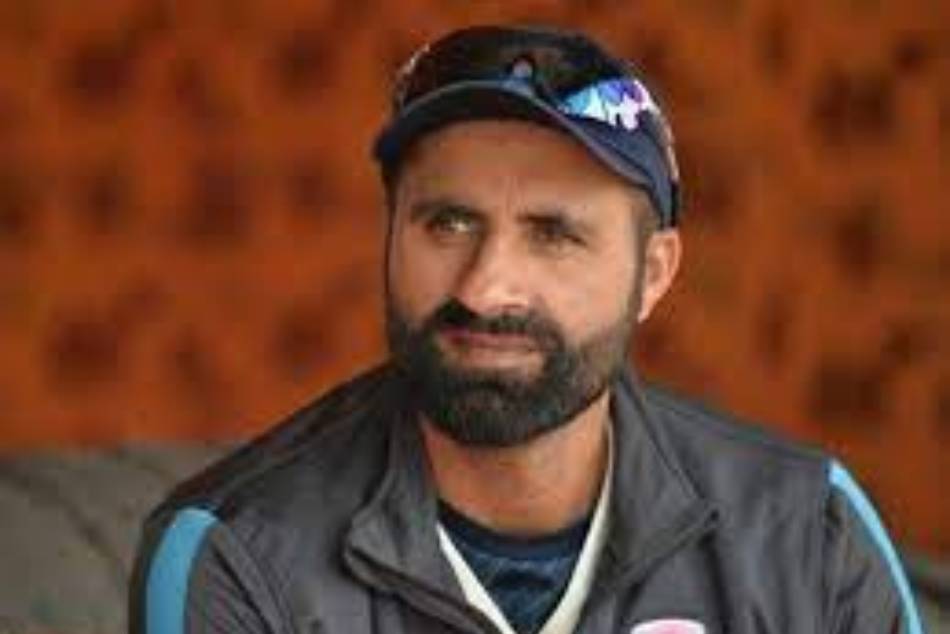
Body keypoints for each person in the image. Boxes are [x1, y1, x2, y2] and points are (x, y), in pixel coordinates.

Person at [129, 25, 924, 634]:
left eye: (553, 233)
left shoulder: (804, 533)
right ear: (391, 233)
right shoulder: (239, 555)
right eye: (448, 223)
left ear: (653, 274)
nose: (486, 287)